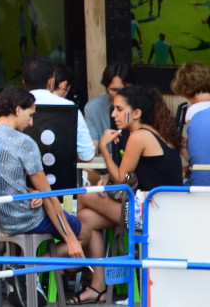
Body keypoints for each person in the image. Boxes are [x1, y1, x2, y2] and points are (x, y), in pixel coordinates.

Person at [0, 88, 95, 299]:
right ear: (18, 110)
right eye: (30, 115)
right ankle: (29, 268)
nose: (31, 123)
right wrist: (71, 239)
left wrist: (28, 190)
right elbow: (48, 194)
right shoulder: (24, 142)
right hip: (23, 217)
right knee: (85, 233)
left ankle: (21, 269)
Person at [75, 85, 182, 301]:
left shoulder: (139, 136)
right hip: (163, 210)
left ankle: (77, 257)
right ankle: (98, 287)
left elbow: (121, 179)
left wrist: (104, 148)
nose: (113, 114)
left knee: (85, 195)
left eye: (118, 109)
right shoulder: (155, 132)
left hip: (151, 215)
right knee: (86, 217)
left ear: (136, 113)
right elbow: (136, 176)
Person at [23, 55, 95, 163]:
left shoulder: (14, 108)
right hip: (65, 179)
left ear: (23, 82)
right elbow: (87, 156)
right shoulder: (70, 108)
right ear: (51, 82)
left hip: (24, 179)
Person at [83, 61, 132, 147]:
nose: (119, 94)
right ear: (106, 88)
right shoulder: (93, 108)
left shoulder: (144, 107)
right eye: (114, 90)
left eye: (123, 90)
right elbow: (90, 153)